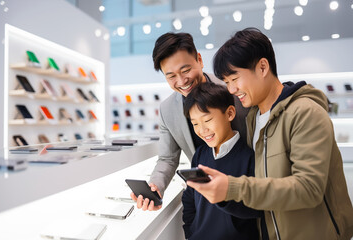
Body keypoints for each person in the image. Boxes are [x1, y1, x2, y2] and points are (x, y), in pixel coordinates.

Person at [186, 27, 353, 240]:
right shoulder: (252, 119)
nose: (231, 90)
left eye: (235, 79)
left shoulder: (305, 112)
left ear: (262, 67)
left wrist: (233, 188)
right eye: (226, 82)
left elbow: (309, 188)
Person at [130, 32, 249, 211]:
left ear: (199, 60)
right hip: (206, 202)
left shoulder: (232, 89)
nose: (181, 81)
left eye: (185, 70)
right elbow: (168, 158)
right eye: (171, 76)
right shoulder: (167, 110)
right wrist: (155, 187)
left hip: (247, 191)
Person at [182, 82, 266, 240]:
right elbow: (189, 199)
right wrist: (190, 232)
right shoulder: (200, 155)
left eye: (207, 120)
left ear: (230, 113)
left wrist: (224, 196)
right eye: (195, 123)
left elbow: (257, 208)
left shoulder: (249, 158)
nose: (202, 129)